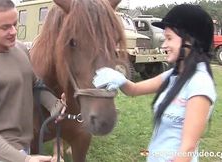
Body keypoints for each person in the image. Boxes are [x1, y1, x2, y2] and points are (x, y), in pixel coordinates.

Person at [92, 4, 216, 162]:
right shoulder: (175, 75)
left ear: (190, 41)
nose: (164, 45)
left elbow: (187, 149)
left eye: (169, 38)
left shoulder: (200, 84)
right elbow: (134, 89)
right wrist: (120, 79)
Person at [0, 0, 65, 162]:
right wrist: (23, 159)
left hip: (27, 140)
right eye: (5, 27)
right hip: (4, 152)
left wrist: (55, 105)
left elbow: (34, 83)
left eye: (14, 24)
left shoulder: (20, 49)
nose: (13, 31)